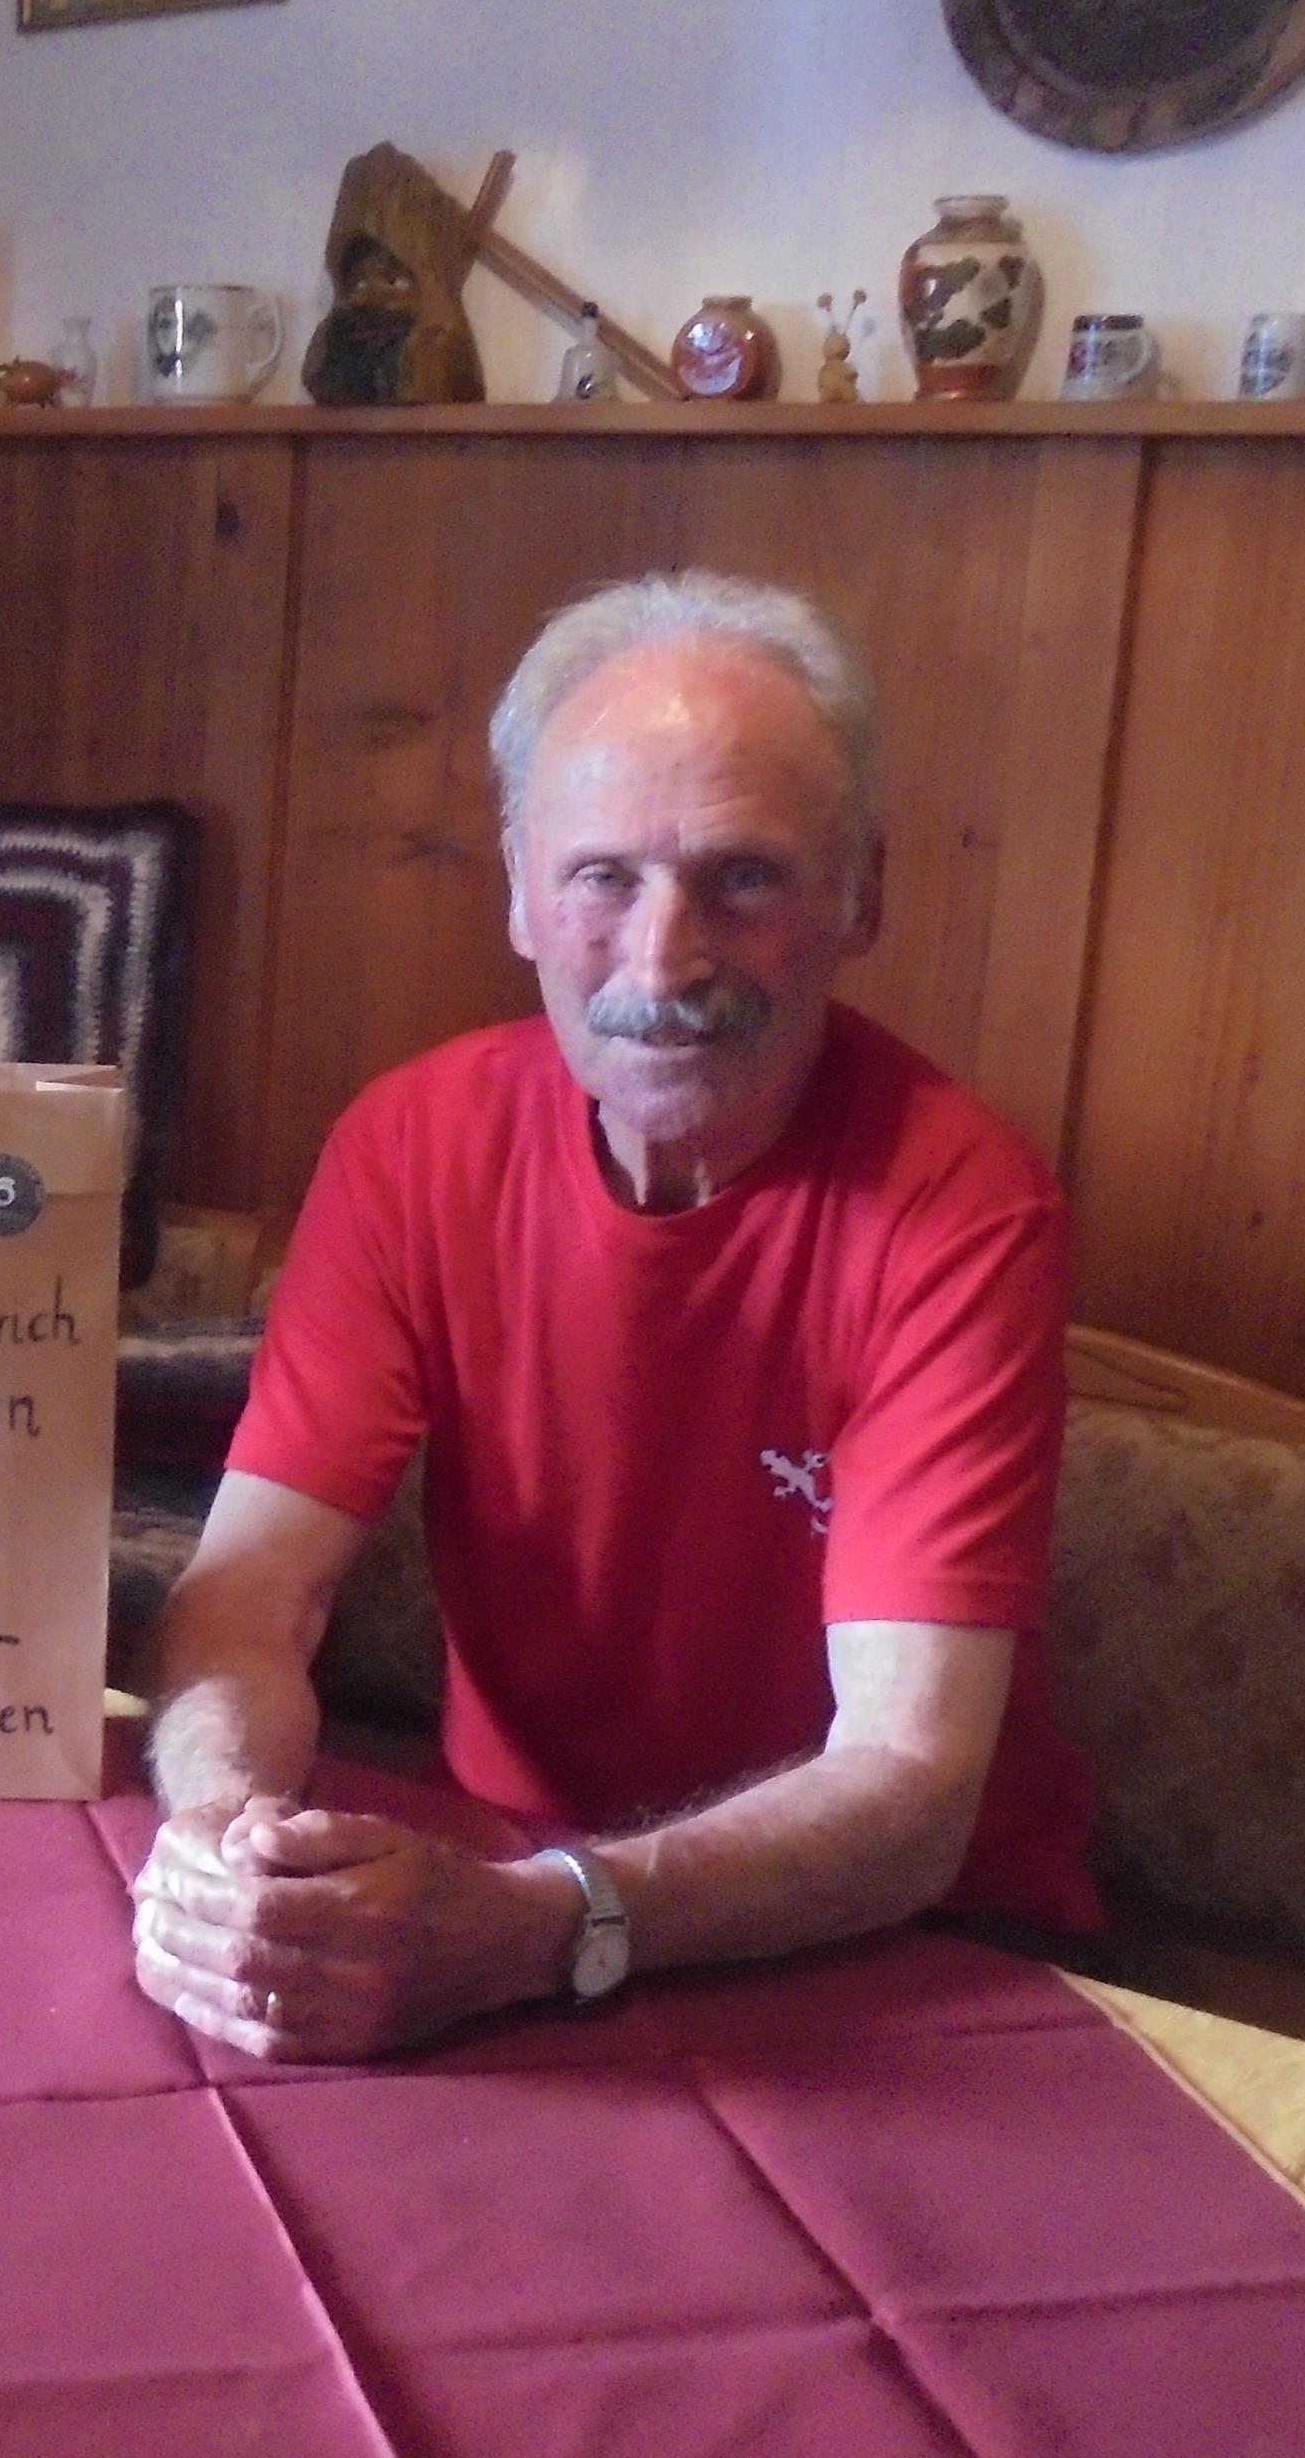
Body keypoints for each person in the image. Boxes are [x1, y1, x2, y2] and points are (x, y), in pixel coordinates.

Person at [135, 572, 1097, 2064]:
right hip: (502, 1884)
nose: (664, 963)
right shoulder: (411, 1146)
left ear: (860, 895)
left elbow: (909, 1783)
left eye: (743, 879)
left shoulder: (959, 1208)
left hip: (898, 1955)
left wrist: (540, 1923)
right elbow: (253, 1592)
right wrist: (222, 1840)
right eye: (604, 879)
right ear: (520, 891)